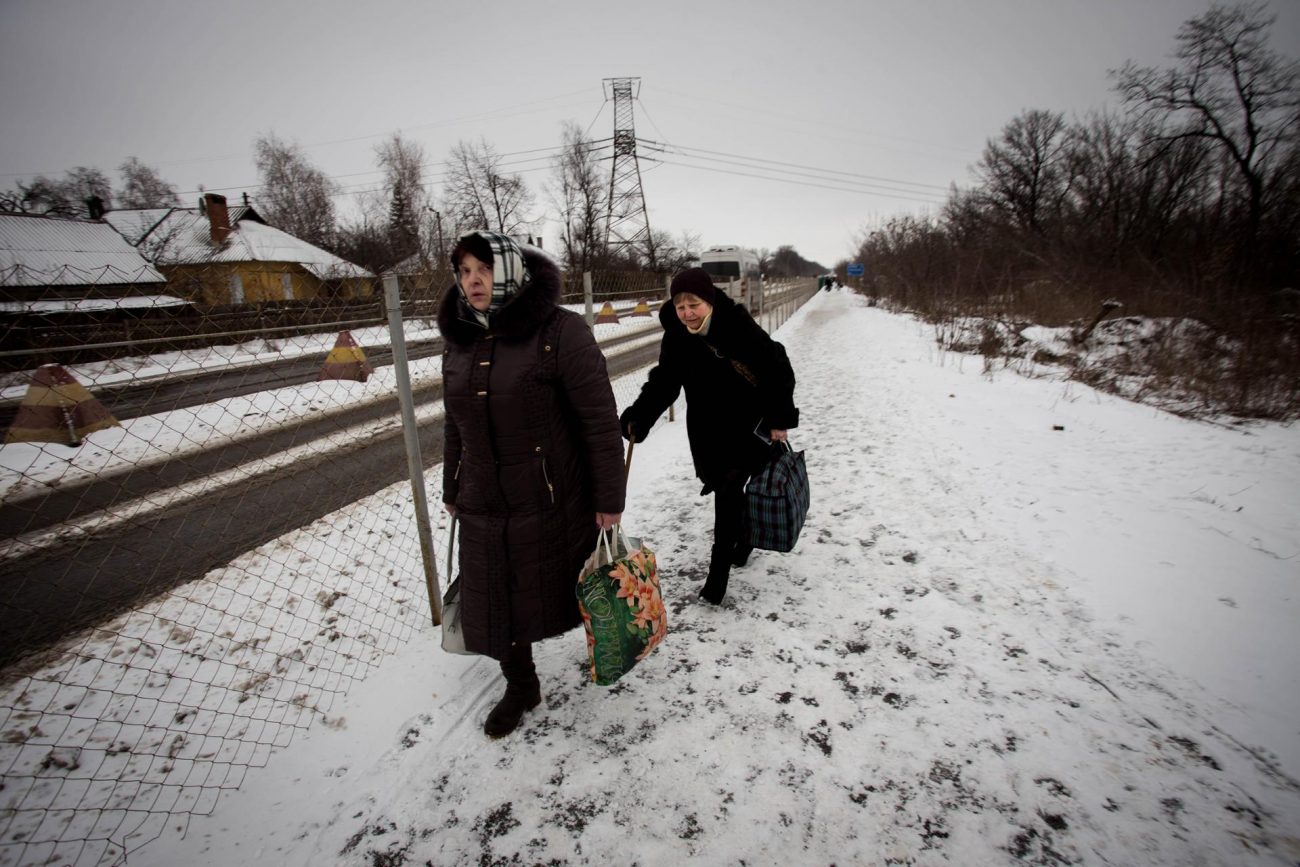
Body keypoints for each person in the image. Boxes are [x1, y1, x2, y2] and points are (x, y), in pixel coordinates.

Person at [438, 230, 625, 738]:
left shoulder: (561, 332)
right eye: (464, 272)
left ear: (512, 272)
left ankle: (613, 647)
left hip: (548, 497)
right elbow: (455, 424)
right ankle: (521, 686)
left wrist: (609, 500)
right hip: (481, 497)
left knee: (562, 591)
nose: (473, 281)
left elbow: (599, 422)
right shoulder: (460, 341)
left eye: (485, 269)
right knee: (492, 601)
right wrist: (452, 487)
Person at [618, 268, 798, 605]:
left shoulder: (737, 325)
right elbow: (664, 382)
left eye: (694, 305)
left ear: (710, 302)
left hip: (749, 423)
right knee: (728, 489)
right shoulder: (676, 337)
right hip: (709, 429)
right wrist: (639, 417)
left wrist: (780, 418)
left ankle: (717, 579)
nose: (687, 313)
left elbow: (778, 365)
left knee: (730, 492)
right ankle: (743, 542)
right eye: (680, 306)